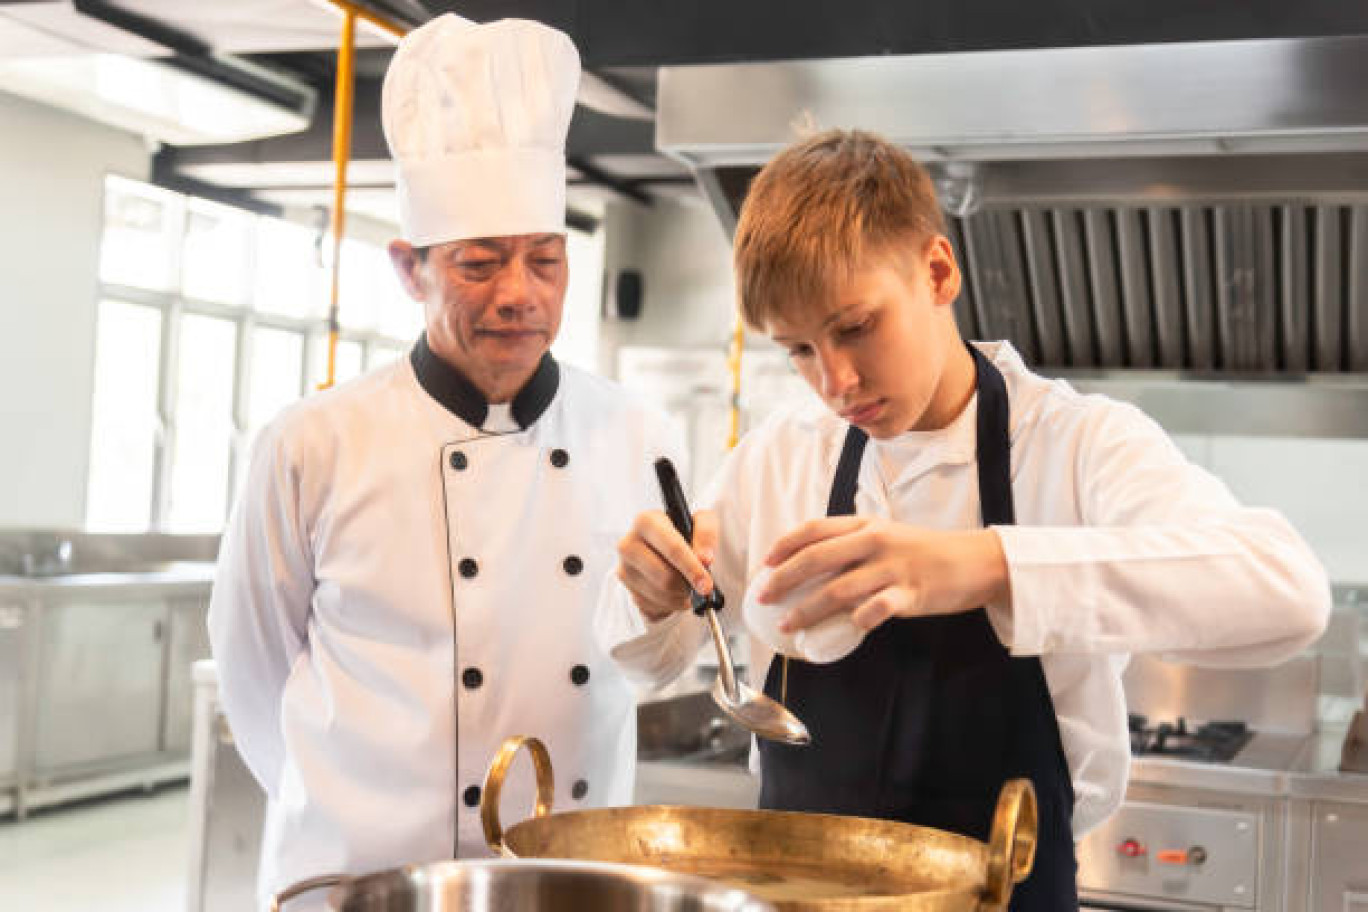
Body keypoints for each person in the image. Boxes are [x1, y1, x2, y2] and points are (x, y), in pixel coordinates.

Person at [597, 129, 1331, 909]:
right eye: (799, 352)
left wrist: (983, 565)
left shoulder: (1075, 444)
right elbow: (650, 662)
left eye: (854, 327)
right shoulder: (780, 459)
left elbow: (1288, 594)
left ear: (938, 271)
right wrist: (653, 593)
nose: (835, 381)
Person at [209, 15, 680, 907]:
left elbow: (660, 658)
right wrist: (343, 809)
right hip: (359, 876)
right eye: (478, 264)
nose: (519, 295)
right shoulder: (312, 443)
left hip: (562, 876)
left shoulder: (638, 435)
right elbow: (252, 669)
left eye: (544, 260)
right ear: (408, 268)